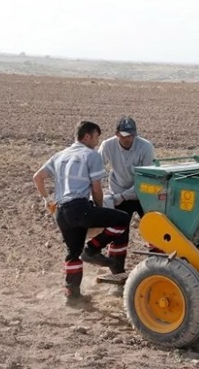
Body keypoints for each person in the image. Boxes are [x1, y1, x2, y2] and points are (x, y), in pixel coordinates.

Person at [33, 121, 131, 302]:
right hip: (80, 207)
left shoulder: (59, 155)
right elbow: (96, 189)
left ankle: (72, 294)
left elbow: (37, 177)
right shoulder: (91, 155)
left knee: (72, 252)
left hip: (61, 212)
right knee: (122, 219)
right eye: (95, 137)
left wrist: (48, 200)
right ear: (87, 136)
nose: (96, 141)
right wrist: (100, 209)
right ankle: (93, 250)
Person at [94, 116, 156, 275]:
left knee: (155, 229)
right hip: (118, 192)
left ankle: (158, 267)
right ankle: (116, 272)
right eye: (125, 135)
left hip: (143, 194)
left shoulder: (145, 147)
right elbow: (96, 170)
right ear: (116, 134)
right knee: (119, 233)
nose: (129, 138)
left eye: (132, 135)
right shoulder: (107, 146)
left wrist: (122, 196)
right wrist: (98, 196)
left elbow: (145, 179)